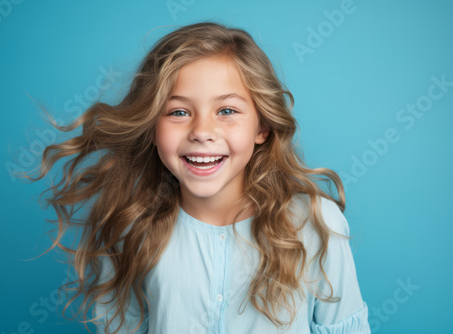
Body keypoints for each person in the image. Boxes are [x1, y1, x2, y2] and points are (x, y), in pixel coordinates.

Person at [25, 21, 370, 333]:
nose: (202, 131)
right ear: (152, 125)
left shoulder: (316, 224)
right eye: (178, 112)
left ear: (262, 126)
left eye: (227, 111)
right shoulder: (131, 228)